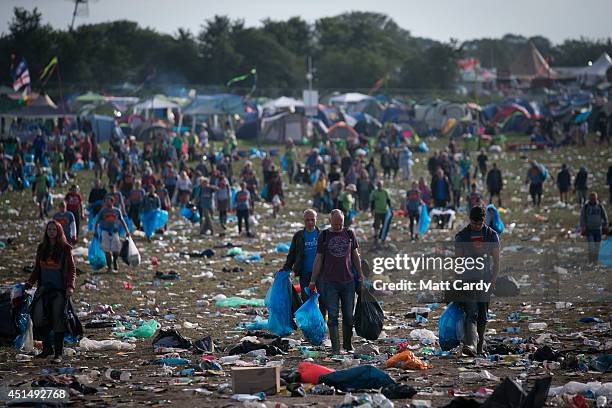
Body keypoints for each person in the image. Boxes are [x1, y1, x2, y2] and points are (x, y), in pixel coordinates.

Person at [308, 210, 365, 354]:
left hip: (348, 282)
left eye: (341, 223)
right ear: (330, 220)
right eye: (335, 223)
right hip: (329, 283)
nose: (338, 225)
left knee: (348, 316)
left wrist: (360, 275)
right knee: (332, 316)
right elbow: (319, 258)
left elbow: (355, 255)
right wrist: (313, 280)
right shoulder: (324, 235)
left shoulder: (349, 234)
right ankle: (335, 349)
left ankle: (347, 345)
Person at [26, 220, 76, 363]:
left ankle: (58, 354)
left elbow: (72, 270)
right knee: (38, 317)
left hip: (59, 290)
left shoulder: (65, 248)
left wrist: (70, 286)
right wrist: (30, 282)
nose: (52, 232)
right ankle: (46, 349)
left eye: (54, 229)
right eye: (49, 230)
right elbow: (37, 269)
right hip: (44, 289)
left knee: (58, 318)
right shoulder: (42, 248)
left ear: (59, 231)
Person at [453, 206, 500, 356]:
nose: (476, 226)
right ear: (470, 221)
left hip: (485, 280)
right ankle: (471, 346)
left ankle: (479, 347)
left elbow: (497, 261)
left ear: (483, 221)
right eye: (474, 224)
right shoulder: (462, 236)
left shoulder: (491, 235)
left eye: (479, 224)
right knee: (471, 313)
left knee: (483, 315)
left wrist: (493, 280)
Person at [284, 209, 322, 302]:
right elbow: (292, 254)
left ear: (316, 220)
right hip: (304, 273)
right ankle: (308, 317)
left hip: (321, 273)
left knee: (322, 299)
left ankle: (321, 316)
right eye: (307, 220)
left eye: (312, 220)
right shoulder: (299, 236)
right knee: (306, 299)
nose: (310, 222)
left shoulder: (322, 235)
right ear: (304, 220)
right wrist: (286, 268)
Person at [94, 195, 130, 273]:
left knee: (116, 249)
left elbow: (122, 221)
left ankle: (115, 261)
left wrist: (127, 231)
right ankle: (109, 267)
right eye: (106, 201)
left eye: (108, 201)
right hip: (105, 232)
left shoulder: (117, 211)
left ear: (112, 201)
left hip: (115, 232)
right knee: (107, 250)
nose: (107, 202)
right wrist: (96, 231)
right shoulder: (103, 211)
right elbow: (97, 221)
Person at [580, 192, 608, 264]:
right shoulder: (586, 206)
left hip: (598, 229)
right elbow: (582, 217)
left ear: (596, 198)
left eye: (594, 199)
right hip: (589, 230)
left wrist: (606, 224)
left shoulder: (600, 206)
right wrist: (582, 226)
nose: (593, 200)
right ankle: (590, 261)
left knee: (597, 247)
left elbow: (604, 216)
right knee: (591, 246)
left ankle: (595, 261)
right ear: (589, 199)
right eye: (591, 199)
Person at [369, 180, 391, 245]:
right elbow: (372, 202)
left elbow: (388, 200)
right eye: (378, 185)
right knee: (377, 224)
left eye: (380, 185)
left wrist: (390, 209)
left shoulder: (385, 192)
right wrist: (372, 210)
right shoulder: (374, 192)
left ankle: (382, 236)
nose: (379, 186)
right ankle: (376, 236)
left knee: (384, 225)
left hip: (385, 211)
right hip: (377, 211)